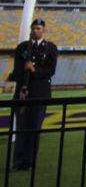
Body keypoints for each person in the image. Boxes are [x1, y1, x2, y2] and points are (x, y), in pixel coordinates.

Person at [10, 18, 58, 171]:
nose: (34, 31)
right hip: (23, 95)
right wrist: (24, 69)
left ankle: (29, 162)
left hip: (40, 95)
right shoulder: (22, 48)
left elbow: (50, 71)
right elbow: (16, 72)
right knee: (21, 129)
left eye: (38, 28)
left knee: (34, 130)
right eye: (33, 28)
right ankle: (18, 162)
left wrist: (34, 70)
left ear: (44, 30)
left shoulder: (50, 48)